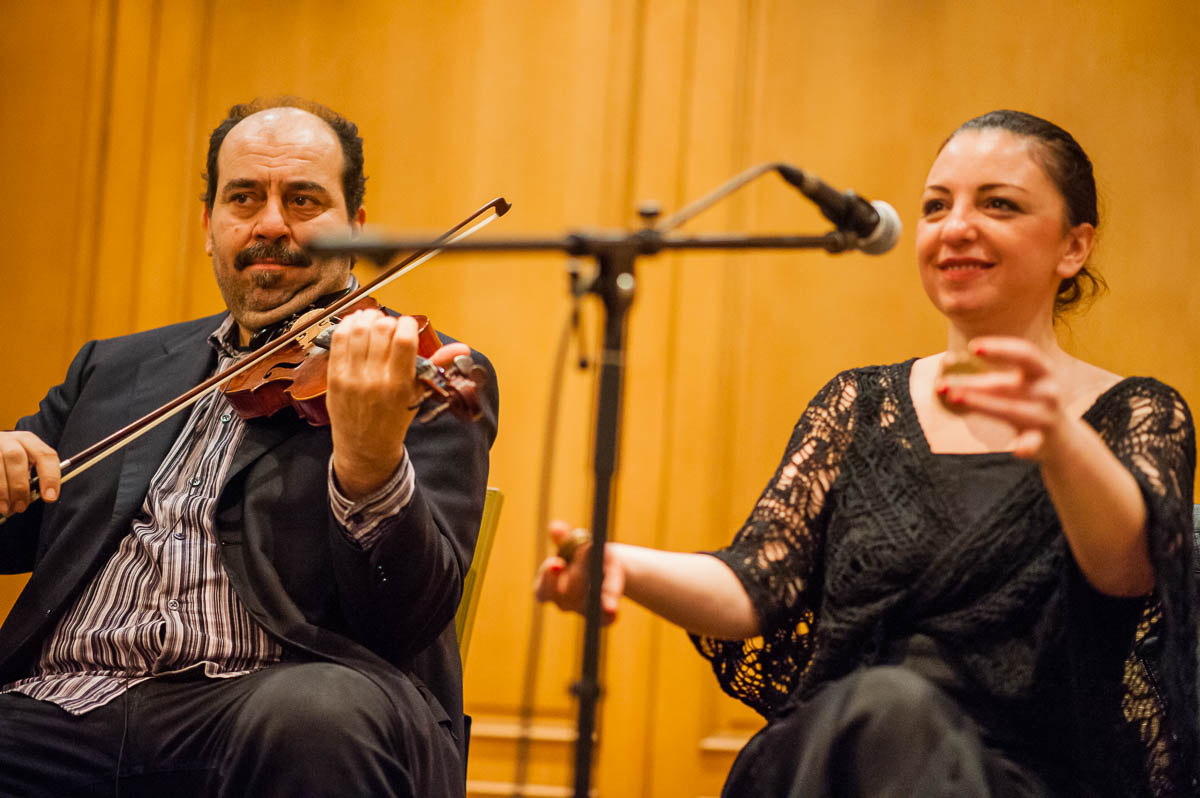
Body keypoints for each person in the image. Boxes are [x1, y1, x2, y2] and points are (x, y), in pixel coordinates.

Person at [536, 110, 1198, 796]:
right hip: (833, 754)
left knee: (895, 709)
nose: (955, 226)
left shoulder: (1139, 413)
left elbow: (1129, 568)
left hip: (1019, 776)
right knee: (882, 709)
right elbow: (757, 582)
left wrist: (1060, 438)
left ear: (1074, 247)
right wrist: (622, 564)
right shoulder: (860, 404)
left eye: (998, 204)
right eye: (936, 206)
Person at [0, 97, 498, 797]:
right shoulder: (109, 371)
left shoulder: (412, 373)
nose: (270, 224)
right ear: (209, 226)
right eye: (244, 198)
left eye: (303, 200)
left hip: (267, 706)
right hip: (60, 706)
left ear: (354, 227)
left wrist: (369, 464)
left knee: (318, 716)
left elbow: (408, 617)